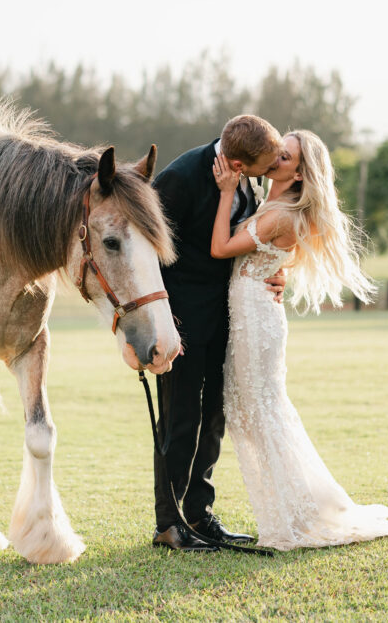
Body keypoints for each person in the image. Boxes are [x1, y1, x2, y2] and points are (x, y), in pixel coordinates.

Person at [209, 130, 388, 549]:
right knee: (257, 411)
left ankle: (293, 515)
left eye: (283, 156)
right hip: (253, 312)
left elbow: (220, 248)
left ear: (300, 172)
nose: (273, 158)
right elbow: (277, 254)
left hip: (256, 316)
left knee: (260, 412)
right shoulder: (270, 202)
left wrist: (225, 191)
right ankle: (301, 504)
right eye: (275, 151)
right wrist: (279, 269)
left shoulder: (281, 212)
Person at [150, 115, 287, 552]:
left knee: (213, 418)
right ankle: (169, 525)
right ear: (239, 164)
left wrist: (274, 273)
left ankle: (199, 515)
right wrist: (159, 321)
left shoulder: (246, 178)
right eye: (267, 166)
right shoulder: (180, 177)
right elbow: (145, 250)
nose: (274, 170)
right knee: (180, 420)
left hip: (229, 317)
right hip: (182, 322)